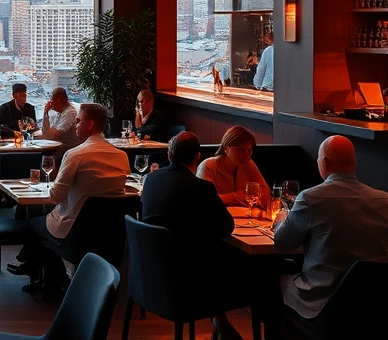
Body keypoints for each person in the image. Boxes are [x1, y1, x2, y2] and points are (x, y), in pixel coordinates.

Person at [8, 103, 130, 291]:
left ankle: (48, 277)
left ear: (89, 125)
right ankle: (41, 270)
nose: (75, 125)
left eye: (78, 121)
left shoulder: (76, 154)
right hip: (109, 234)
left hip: (75, 232)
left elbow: (56, 196)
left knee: (34, 222)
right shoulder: (122, 156)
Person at [141, 132, 250, 339]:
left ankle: (220, 321)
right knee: (259, 277)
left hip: (149, 273)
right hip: (187, 279)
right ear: (197, 157)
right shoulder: (201, 188)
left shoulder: (151, 180)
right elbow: (226, 227)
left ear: (169, 156)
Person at [274, 135, 388, 323]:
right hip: (374, 305)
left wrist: (280, 220)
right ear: (354, 163)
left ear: (323, 164)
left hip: (321, 304)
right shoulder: (384, 200)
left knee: (271, 283)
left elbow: (283, 242)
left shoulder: (311, 199)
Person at [197, 125, 269, 209]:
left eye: (249, 150)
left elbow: (265, 191)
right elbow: (205, 200)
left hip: (246, 218)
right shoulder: (207, 167)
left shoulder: (248, 164)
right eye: (241, 150)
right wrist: (235, 196)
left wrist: (256, 197)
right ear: (226, 148)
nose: (246, 155)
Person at [40, 87, 79, 175]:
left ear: (58, 100)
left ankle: (53, 179)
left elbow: (52, 136)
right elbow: (46, 135)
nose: (50, 102)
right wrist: (45, 113)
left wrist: (48, 133)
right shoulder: (58, 113)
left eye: (51, 99)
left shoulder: (70, 112)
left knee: (47, 154)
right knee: (42, 151)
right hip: (58, 143)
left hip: (70, 145)